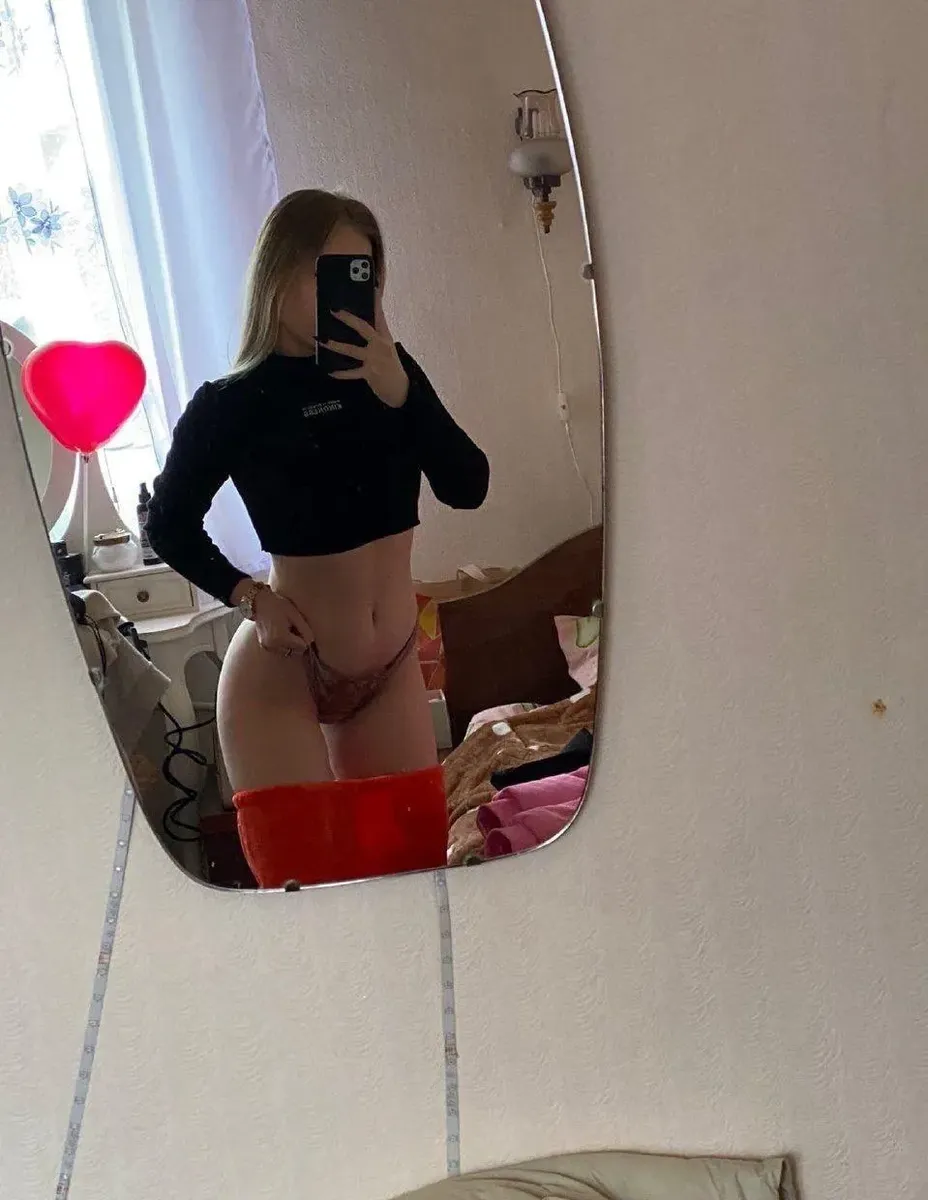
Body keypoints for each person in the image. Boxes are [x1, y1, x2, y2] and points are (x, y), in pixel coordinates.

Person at [146, 189, 489, 886]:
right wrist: (250, 596)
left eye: (360, 274)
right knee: (307, 894)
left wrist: (405, 395)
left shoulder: (394, 376)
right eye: (322, 271)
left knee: (414, 880)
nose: (342, 292)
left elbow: (468, 486)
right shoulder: (232, 403)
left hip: (389, 668)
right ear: (277, 274)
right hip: (282, 673)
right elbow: (168, 522)